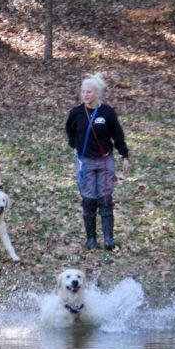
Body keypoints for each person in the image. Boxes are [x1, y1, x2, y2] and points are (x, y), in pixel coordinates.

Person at [66, 73, 130, 250]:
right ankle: (91, 239)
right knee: (89, 200)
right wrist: (74, 144)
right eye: (83, 91)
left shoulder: (107, 112)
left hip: (104, 161)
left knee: (105, 199)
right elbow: (69, 130)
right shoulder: (76, 113)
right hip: (85, 162)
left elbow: (118, 135)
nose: (85, 95)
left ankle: (109, 239)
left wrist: (125, 155)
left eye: (89, 92)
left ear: (97, 93)